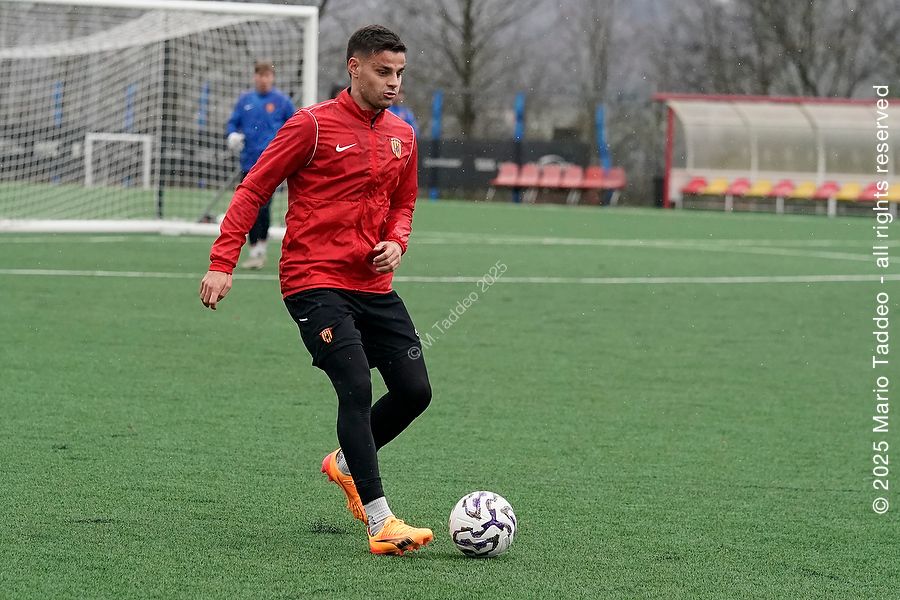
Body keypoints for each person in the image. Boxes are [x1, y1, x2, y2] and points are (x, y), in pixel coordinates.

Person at [200, 25, 433, 556]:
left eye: (399, 73)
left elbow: (404, 203)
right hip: (314, 280)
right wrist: (222, 262)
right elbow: (254, 187)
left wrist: (396, 242)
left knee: (415, 392)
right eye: (383, 71)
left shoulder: (403, 134)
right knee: (355, 383)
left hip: (373, 283)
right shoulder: (311, 125)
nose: (394, 83)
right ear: (354, 67)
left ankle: (345, 462)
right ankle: (380, 522)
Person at [225, 60, 296, 269]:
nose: (263, 79)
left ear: (272, 78)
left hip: (272, 164)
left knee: (263, 207)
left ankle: (259, 248)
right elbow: (233, 122)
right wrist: (232, 135)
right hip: (248, 162)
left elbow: (295, 125)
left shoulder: (282, 101)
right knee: (248, 206)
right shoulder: (245, 100)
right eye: (260, 75)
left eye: (267, 75)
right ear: (255, 77)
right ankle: (255, 247)